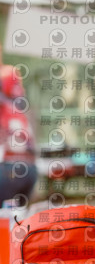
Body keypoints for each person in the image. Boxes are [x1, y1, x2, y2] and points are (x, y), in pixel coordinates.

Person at [0, 49, 37, 207]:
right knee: (16, 216)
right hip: (31, 170)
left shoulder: (4, 108)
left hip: (7, 169)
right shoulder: (19, 110)